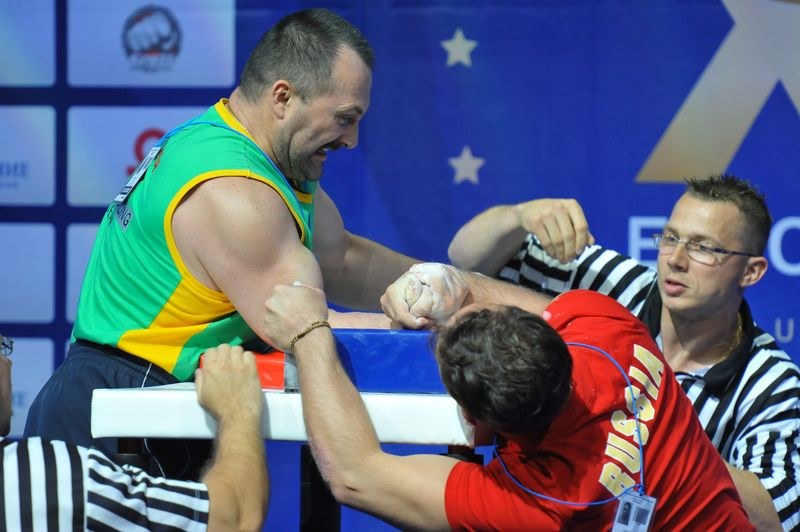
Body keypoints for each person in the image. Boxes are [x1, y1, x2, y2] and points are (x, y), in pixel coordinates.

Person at [24, 8, 419, 457]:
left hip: (139, 398)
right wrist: (447, 331)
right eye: (345, 118)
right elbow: (302, 324)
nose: (351, 140)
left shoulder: (262, 151)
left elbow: (342, 259)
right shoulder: (235, 189)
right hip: (121, 411)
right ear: (283, 98)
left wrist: (443, 282)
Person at [442, 174, 800, 530]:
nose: (675, 259)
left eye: (703, 247)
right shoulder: (614, 286)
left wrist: (659, 436)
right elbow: (465, 257)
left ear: (751, 272)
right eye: (671, 237)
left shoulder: (773, 383)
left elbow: (776, 514)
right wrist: (517, 217)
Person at [263, 283, 753, 530]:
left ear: (476, 423)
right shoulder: (608, 327)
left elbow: (355, 475)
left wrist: (308, 334)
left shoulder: (541, 503)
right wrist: (451, 282)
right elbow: (503, 298)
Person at [1, 335, 268, 531]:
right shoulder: (40, 477)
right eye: (0, 347)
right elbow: (235, 519)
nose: (8, 362)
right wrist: (237, 410)